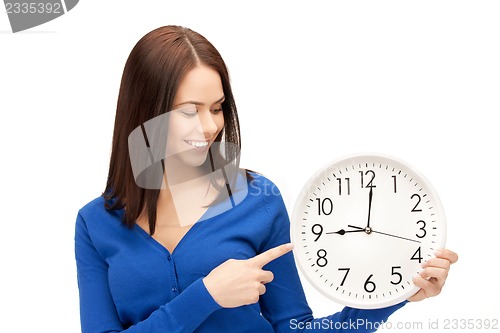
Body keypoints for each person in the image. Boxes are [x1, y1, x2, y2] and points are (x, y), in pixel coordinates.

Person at [74, 25, 458, 333]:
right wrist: (206, 295)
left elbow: (296, 329)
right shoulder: (95, 224)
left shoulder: (258, 198)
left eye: (217, 108)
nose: (210, 127)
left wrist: (396, 296)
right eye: (189, 111)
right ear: (146, 113)